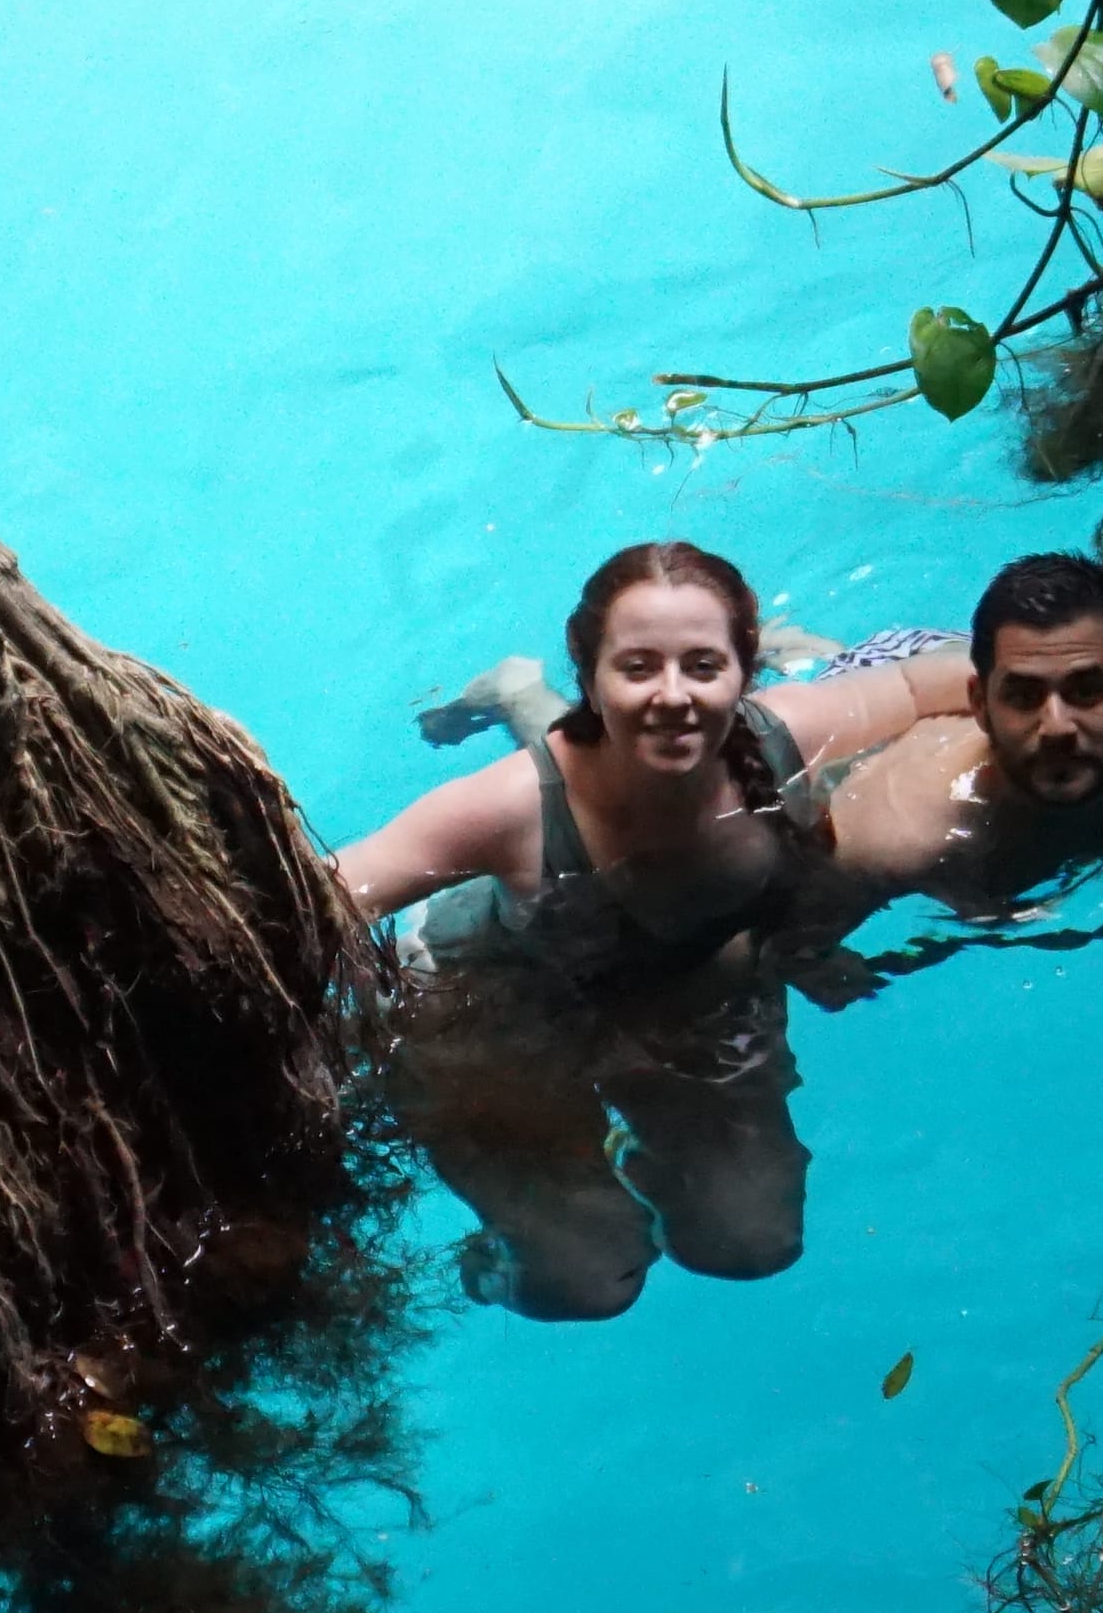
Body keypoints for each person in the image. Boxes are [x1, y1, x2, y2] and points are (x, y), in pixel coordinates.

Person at [329, 542, 969, 1320]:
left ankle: (519, 689)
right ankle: (518, 692)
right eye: (637, 668)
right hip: (493, 1017)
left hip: (692, 1009)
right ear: (590, 670)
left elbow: (926, 678)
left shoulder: (783, 735)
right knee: (588, 1281)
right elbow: (317, 898)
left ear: (745, 667)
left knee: (751, 1242)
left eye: (704, 666)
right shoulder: (504, 811)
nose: (675, 696)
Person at [810, 554, 1103, 966]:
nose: (1057, 726)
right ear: (979, 706)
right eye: (1024, 698)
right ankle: (789, 646)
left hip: (1008, 659)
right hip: (884, 686)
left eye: (1087, 690)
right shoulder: (898, 831)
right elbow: (786, 942)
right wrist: (820, 966)